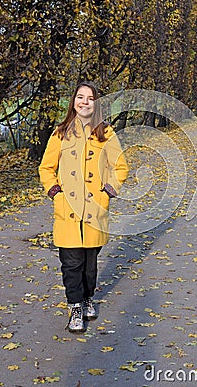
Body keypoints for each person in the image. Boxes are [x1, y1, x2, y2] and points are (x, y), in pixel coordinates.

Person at [39, 81, 129, 333]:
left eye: (90, 98)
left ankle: (88, 297)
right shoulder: (60, 132)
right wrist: (55, 192)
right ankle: (75, 307)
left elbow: (120, 166)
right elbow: (46, 167)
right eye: (80, 97)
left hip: (94, 211)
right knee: (71, 265)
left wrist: (108, 191)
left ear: (96, 104)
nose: (85, 101)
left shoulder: (106, 133)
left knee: (89, 266)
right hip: (67, 210)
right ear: (74, 101)